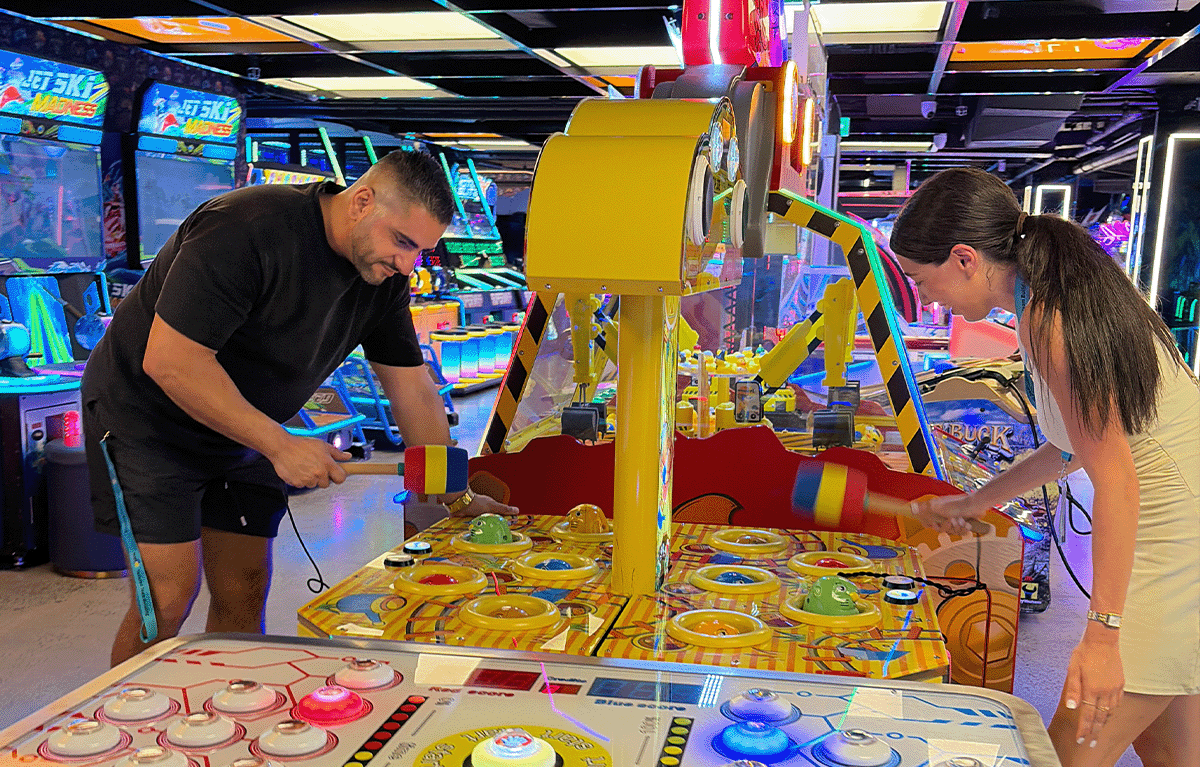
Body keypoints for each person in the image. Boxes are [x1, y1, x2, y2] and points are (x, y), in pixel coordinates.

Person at [82, 150, 517, 668]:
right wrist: (278, 443)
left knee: (243, 589)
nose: (408, 264)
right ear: (361, 202)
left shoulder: (384, 280)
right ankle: (129, 739)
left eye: (420, 251)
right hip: (149, 420)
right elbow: (172, 363)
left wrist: (457, 496)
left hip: (247, 427)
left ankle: (229, 718)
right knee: (169, 596)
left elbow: (413, 390)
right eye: (402, 242)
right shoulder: (245, 228)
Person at [889, 167, 1198, 767]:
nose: (926, 298)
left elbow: (1116, 480)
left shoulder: (1053, 321)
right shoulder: (1050, 302)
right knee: (1170, 750)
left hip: (1169, 538)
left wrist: (1103, 635)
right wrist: (977, 501)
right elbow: (1067, 446)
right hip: (1165, 525)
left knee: (1067, 751)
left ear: (965, 259)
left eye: (923, 281)